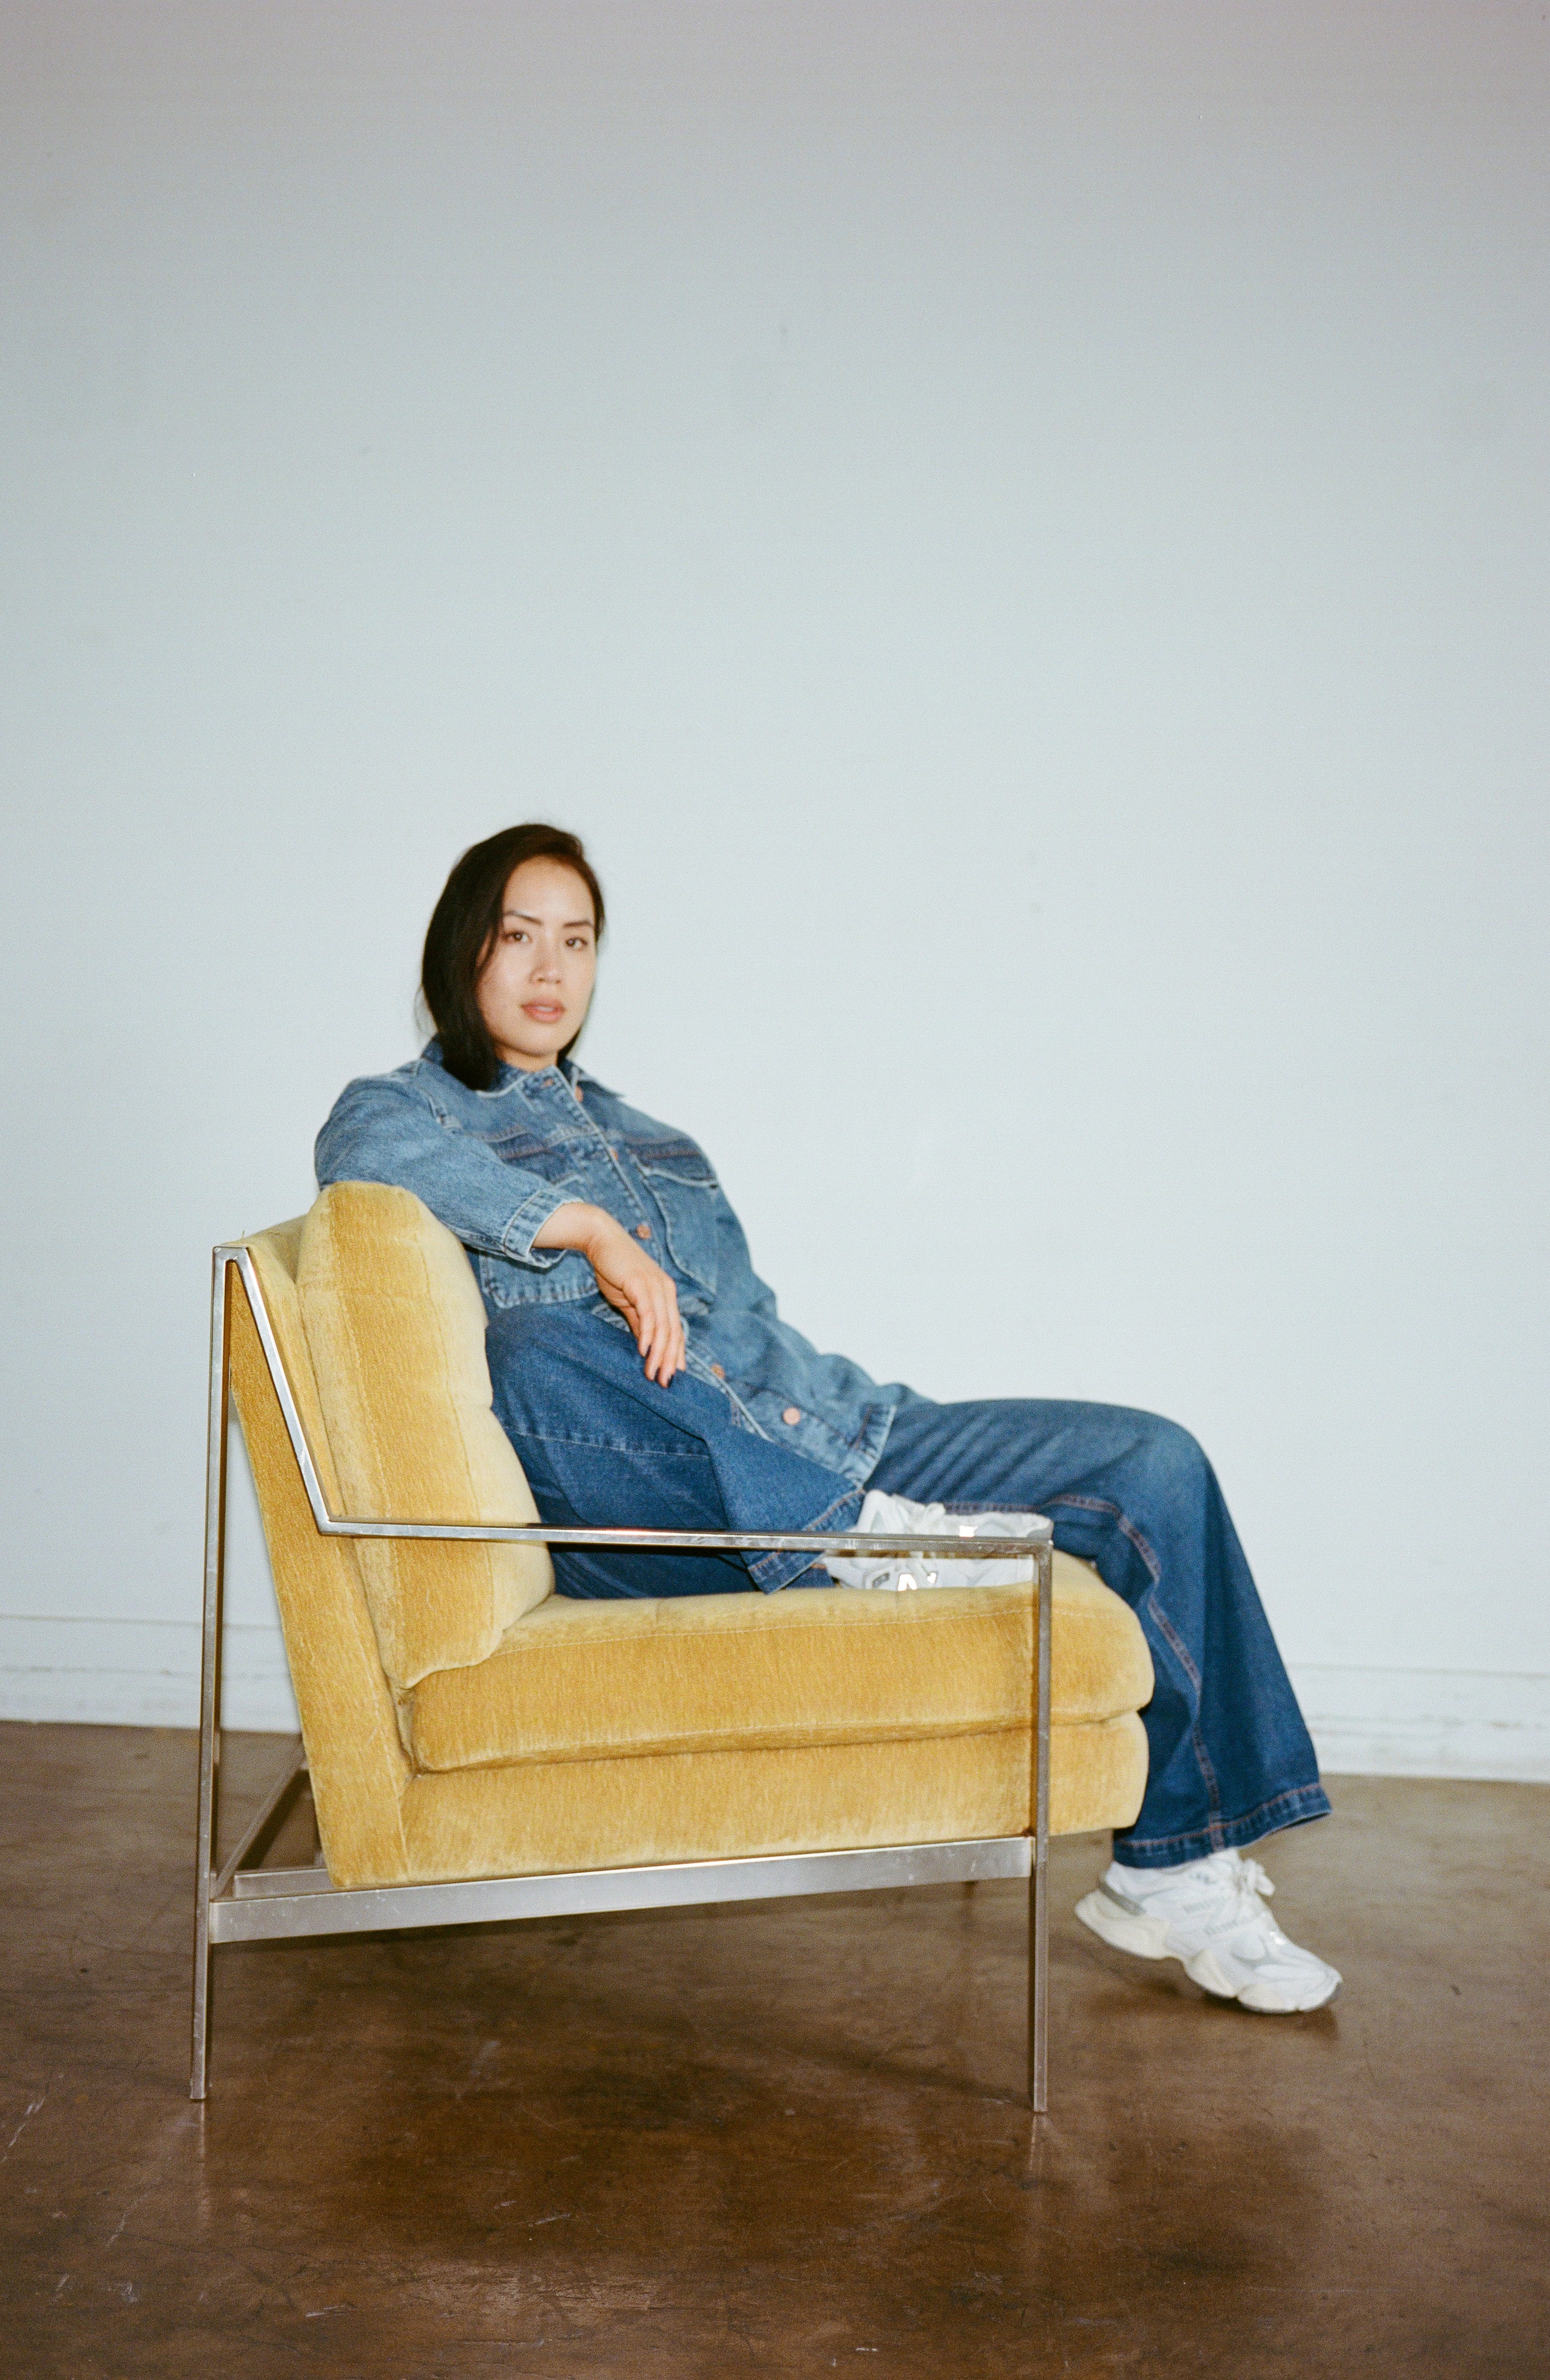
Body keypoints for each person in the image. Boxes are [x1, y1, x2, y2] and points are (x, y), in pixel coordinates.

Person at [317, 822, 1341, 2015]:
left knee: (1154, 1458)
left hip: (832, 1436)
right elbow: (357, 1150)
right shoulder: (406, 1110)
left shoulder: (658, 1141)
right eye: (518, 936)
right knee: (541, 1342)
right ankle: (856, 1535)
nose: (552, 971)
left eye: (578, 941)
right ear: (465, 951)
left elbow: (758, 1341)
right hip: (655, 1513)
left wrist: (835, 1435)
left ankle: (1173, 1871)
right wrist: (586, 1231)